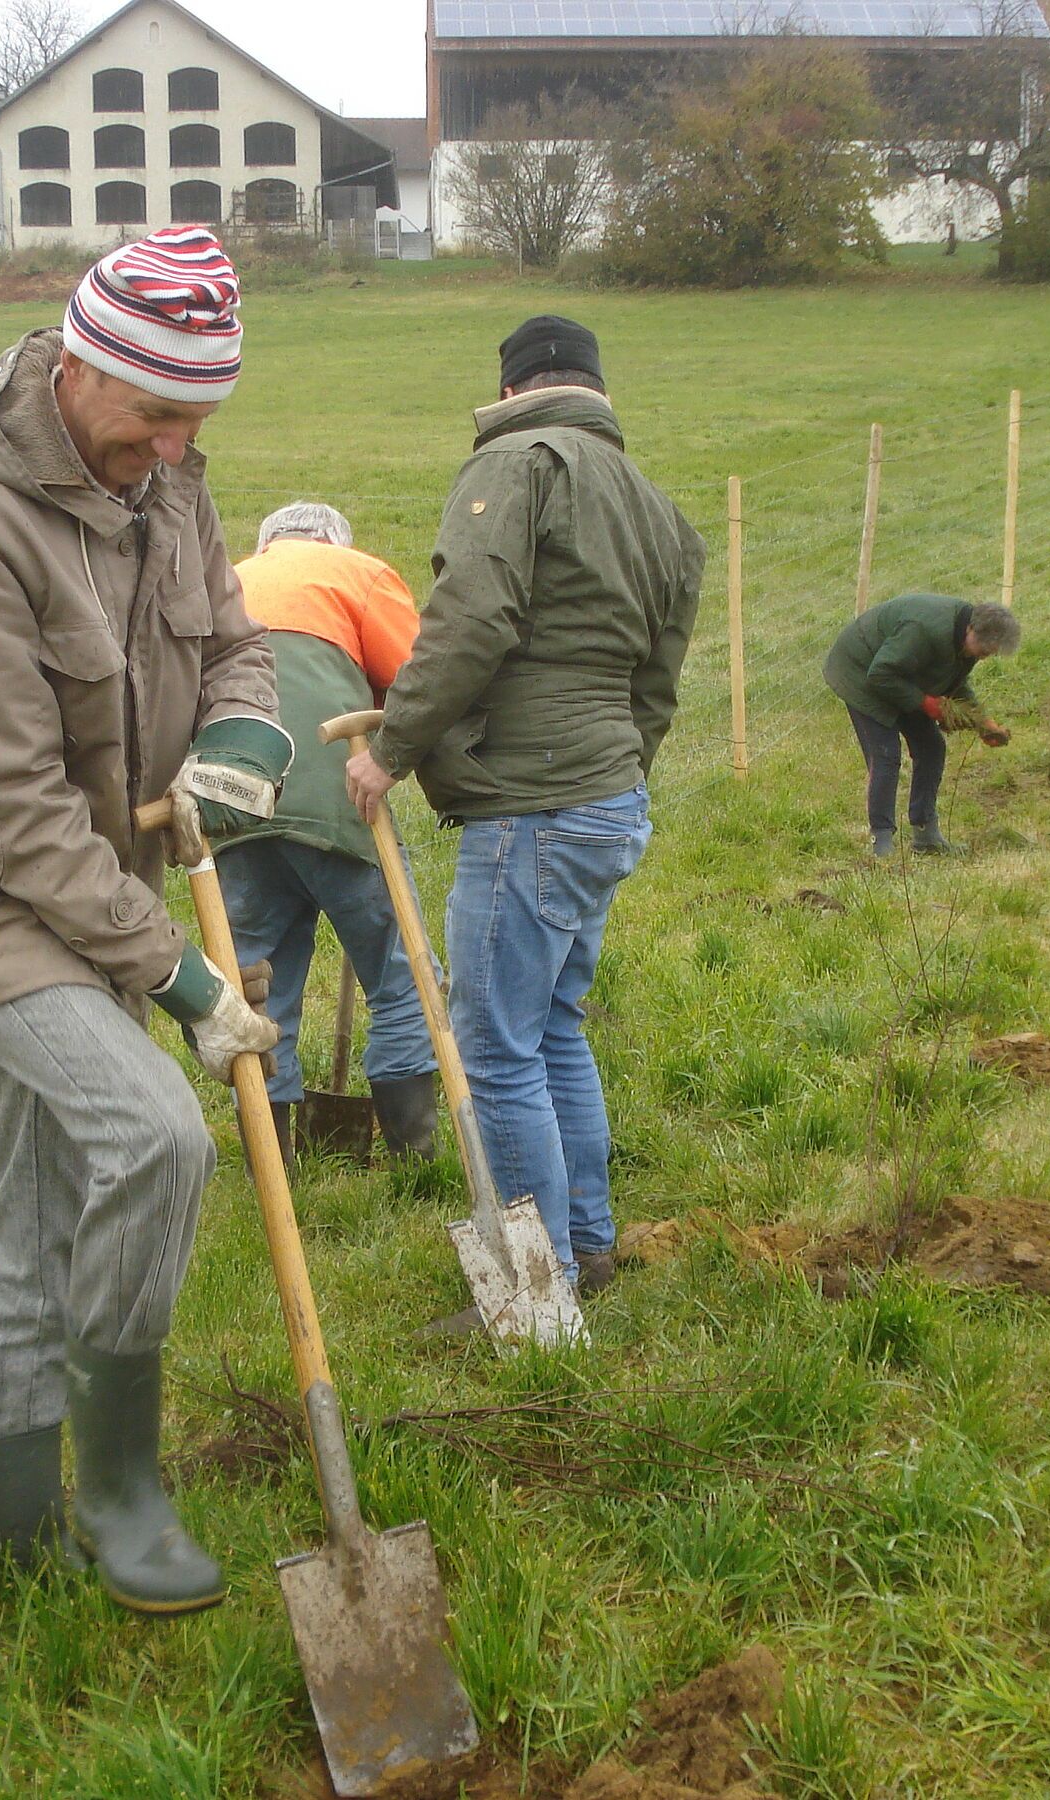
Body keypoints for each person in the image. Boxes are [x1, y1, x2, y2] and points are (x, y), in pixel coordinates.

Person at [0, 227, 286, 1616]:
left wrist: (239, 738)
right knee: (154, 1136)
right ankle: (118, 1488)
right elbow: (1, 809)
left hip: (99, 880)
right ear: (83, 362)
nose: (172, 446)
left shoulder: (167, 478)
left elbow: (232, 641)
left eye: (197, 420)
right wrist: (180, 980)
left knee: (43, 1206)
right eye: (157, 412)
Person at [343, 314, 704, 1294]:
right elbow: (656, 689)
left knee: (497, 1050)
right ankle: (586, 1252)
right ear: (594, 384)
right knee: (552, 1029)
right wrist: (612, 780)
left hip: (534, 812)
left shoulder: (519, 462)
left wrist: (391, 748)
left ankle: (534, 1294)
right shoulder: (660, 509)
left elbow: (472, 616)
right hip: (605, 800)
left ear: (511, 390)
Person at [216, 502, 440, 1160]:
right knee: (398, 974)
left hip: (234, 802)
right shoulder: (358, 572)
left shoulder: (225, 579)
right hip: (335, 795)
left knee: (259, 988)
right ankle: (413, 1157)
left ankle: (271, 1161)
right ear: (335, 541)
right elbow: (416, 679)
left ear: (268, 545)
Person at [822, 594, 1021, 857]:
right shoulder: (924, 630)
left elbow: (954, 682)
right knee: (885, 755)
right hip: (862, 672)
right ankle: (881, 841)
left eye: (991, 651)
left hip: (901, 675)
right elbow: (880, 674)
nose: (987, 654)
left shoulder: (966, 642)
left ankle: (926, 834)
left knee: (931, 747)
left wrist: (983, 721)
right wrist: (927, 704)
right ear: (970, 629)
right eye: (985, 648)